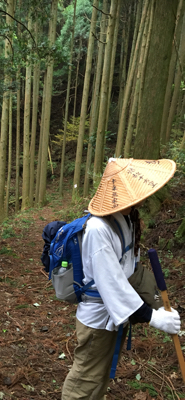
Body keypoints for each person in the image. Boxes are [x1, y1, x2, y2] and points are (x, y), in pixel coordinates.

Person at [61, 158, 181, 400]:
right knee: (85, 379)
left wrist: (159, 304)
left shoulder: (126, 218)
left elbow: (129, 270)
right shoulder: (98, 229)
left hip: (113, 317)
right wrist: (154, 318)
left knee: (101, 375)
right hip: (97, 321)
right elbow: (111, 284)